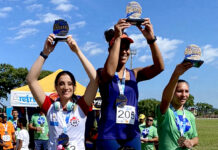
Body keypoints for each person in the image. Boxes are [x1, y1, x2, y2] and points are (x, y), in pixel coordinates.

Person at [96, 18, 164, 150]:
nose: (124, 51)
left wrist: (151, 40)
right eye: (119, 47)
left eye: (127, 48)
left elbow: (159, 67)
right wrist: (117, 37)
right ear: (110, 50)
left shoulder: (134, 73)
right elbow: (110, 72)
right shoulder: (102, 72)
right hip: (109, 135)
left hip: (132, 134)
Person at [26, 34, 98, 150]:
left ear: (74, 87)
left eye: (69, 84)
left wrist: (77, 51)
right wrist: (45, 53)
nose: (66, 87)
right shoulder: (49, 106)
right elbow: (31, 80)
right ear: (56, 87)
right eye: (61, 83)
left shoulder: (82, 106)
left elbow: (95, 80)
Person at [157, 62, 198, 150]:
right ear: (173, 92)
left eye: (186, 91)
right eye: (179, 91)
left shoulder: (190, 115)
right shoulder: (166, 111)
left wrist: (191, 142)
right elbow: (165, 98)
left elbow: (195, 138)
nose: (184, 95)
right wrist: (176, 74)